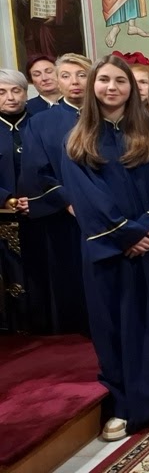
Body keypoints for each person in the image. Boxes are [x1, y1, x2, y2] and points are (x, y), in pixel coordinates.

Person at [61, 55, 149, 441]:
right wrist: (125, 233)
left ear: (133, 88)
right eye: (104, 80)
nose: (112, 87)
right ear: (92, 87)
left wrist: (147, 230)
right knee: (114, 324)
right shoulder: (78, 138)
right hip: (110, 250)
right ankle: (123, 404)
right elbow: (86, 196)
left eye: (120, 81)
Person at [19, 53, 91, 335]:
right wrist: (68, 201)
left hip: (108, 212)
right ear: (57, 81)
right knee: (70, 273)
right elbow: (36, 169)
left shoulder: (108, 116)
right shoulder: (40, 122)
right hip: (64, 214)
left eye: (82, 75)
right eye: (66, 76)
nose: (75, 82)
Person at [0, 70, 30, 331]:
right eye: (2, 92)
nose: (10, 97)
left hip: (40, 211)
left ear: (25, 93)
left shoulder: (39, 123)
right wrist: (6, 199)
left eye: (16, 90)